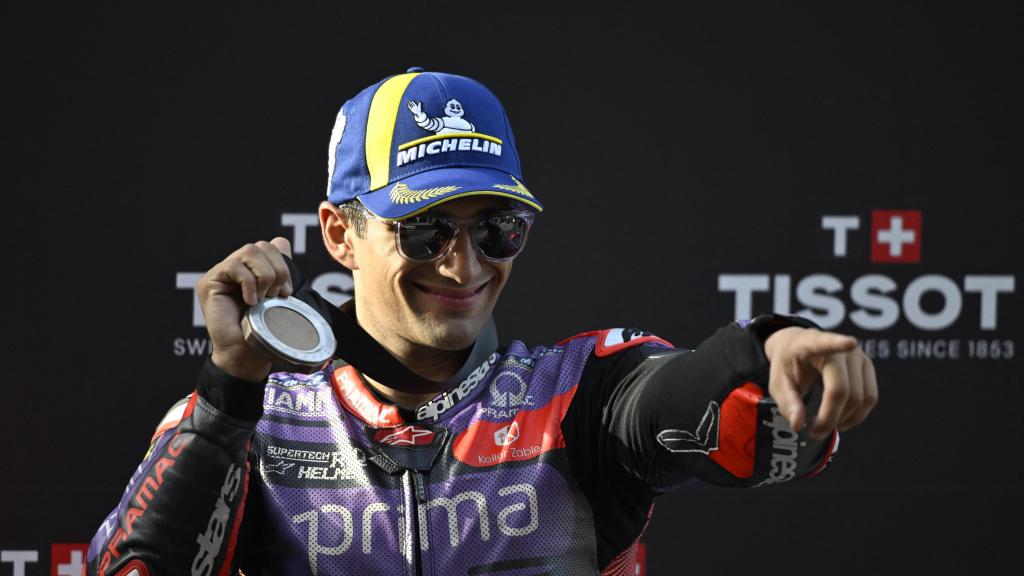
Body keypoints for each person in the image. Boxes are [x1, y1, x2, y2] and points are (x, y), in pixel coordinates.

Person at [87, 68, 878, 576]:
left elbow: (706, 407)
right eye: (425, 230)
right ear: (339, 234)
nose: (464, 267)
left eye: (497, 228)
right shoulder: (262, 418)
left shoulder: (579, 397)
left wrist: (771, 360)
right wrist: (229, 391)